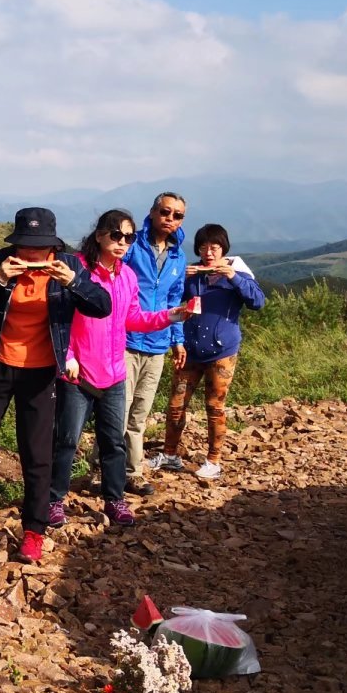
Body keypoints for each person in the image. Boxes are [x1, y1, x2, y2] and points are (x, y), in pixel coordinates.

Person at [0, 207, 111, 562]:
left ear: (53, 245)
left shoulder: (68, 264)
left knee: (36, 453)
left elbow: (102, 306)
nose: (30, 254)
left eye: (38, 247)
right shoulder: (4, 260)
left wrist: (72, 282)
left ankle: (33, 531)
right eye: (25, 245)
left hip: (41, 373)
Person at [52, 210, 197, 527]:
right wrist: (69, 356)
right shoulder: (79, 269)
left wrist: (173, 315)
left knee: (114, 441)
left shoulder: (127, 276)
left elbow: (134, 319)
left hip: (115, 372)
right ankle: (54, 500)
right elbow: (62, 317)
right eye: (116, 235)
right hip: (78, 373)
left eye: (128, 237)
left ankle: (114, 500)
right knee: (66, 440)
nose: (122, 242)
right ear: (100, 235)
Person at [157, 223, 265, 479]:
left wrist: (233, 277)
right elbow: (171, 298)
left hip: (222, 352)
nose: (208, 252)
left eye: (214, 247)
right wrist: (182, 277)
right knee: (175, 404)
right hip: (191, 350)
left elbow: (257, 302)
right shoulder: (196, 275)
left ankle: (213, 460)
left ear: (223, 248)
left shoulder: (237, 273)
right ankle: (170, 454)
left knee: (214, 406)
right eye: (203, 247)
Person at [121, 192, 189, 495]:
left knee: (139, 414)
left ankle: (131, 473)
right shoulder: (132, 244)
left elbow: (174, 301)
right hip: (124, 339)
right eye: (165, 211)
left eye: (178, 215)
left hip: (157, 345)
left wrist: (178, 340)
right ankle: (106, 469)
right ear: (152, 211)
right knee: (117, 412)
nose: (170, 219)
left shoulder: (179, 256)